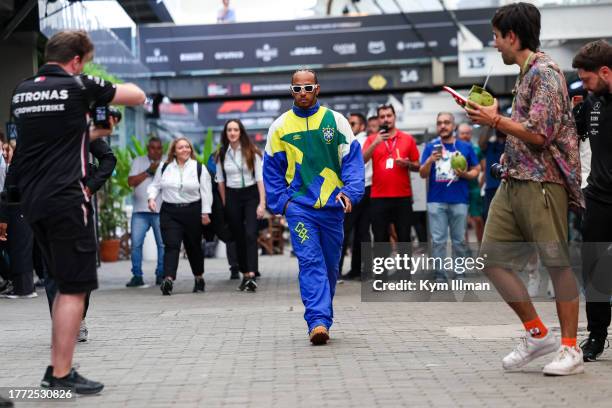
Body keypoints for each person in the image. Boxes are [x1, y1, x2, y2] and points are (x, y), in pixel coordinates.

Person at [1, 30, 146, 393]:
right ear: (77, 60)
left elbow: (57, 137)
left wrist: (94, 130)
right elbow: (137, 95)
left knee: (57, 281)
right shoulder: (79, 84)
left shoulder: (22, 91)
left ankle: (59, 367)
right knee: (73, 288)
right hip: (66, 198)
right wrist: (98, 96)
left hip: (34, 202)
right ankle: (60, 373)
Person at [466, 3, 584, 376]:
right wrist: (497, 116)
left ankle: (570, 349)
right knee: (490, 258)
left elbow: (540, 134)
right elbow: (528, 126)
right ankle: (537, 334)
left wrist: (495, 119)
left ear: (512, 37)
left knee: (557, 264)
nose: (495, 44)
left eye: (497, 37)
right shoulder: (526, 74)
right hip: (513, 180)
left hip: (544, 184)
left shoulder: (546, 73)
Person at [263, 68, 364, 345]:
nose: (303, 93)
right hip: (300, 209)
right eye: (297, 89)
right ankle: (317, 321)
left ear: (317, 89)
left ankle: (323, 317)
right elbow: (271, 169)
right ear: (291, 90)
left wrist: (350, 193)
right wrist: (282, 202)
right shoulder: (280, 126)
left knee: (331, 267)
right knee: (310, 261)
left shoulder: (336, 121)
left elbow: (353, 162)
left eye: (308, 88)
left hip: (332, 209)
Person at [42, 137, 117, 343]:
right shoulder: (38, 126)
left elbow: (108, 158)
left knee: (81, 265)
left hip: (77, 207)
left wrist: (90, 187)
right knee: (51, 270)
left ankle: (79, 317)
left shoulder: (80, 126)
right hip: (46, 206)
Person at [571, 39, 612, 362]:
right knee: (593, 269)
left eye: (587, 79)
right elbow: (571, 133)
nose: (584, 86)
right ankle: (597, 336)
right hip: (597, 198)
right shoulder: (592, 103)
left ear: (606, 71)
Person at [148, 137, 213, 296]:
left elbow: (206, 191)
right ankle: (168, 279)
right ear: (174, 151)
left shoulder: (199, 167)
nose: (185, 150)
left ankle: (199, 278)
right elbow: (155, 186)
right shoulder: (164, 167)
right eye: (181, 148)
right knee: (171, 246)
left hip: (192, 211)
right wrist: (151, 199)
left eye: (187, 147)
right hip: (170, 212)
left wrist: (205, 212)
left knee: (193, 247)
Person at [419, 113, 479, 281]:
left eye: (446, 123)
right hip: (436, 200)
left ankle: (459, 272)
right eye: (439, 123)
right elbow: (422, 174)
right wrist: (430, 160)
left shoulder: (465, 146)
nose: (442, 126)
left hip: (459, 199)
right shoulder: (431, 147)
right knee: (438, 240)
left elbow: (476, 169)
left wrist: (466, 174)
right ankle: (440, 274)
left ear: (453, 126)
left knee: (459, 239)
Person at [216, 119, 265, 292]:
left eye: (235, 129)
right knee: (238, 238)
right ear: (226, 133)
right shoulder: (221, 154)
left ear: (241, 132)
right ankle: (245, 274)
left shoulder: (252, 151)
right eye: (229, 130)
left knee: (251, 234)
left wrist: (262, 203)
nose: (232, 133)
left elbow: (260, 179)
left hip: (251, 195)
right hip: (232, 196)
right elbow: (221, 182)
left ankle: (251, 274)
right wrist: (225, 203)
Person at [363, 105, 420, 246]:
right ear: (378, 120)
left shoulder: (407, 138)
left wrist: (407, 164)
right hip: (378, 197)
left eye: (389, 115)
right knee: (380, 238)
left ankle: (404, 269)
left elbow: (417, 166)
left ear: (394, 117)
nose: (386, 119)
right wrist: (376, 142)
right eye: (382, 116)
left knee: (404, 237)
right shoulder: (371, 139)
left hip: (403, 197)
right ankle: (382, 269)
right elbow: (362, 160)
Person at [126, 137, 165, 287]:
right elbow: (130, 182)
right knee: (136, 244)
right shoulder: (138, 161)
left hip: (160, 210)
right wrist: (149, 171)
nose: (156, 150)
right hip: (139, 211)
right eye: (153, 147)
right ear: (148, 148)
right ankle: (137, 276)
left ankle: (161, 275)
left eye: (159, 148)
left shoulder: (167, 162)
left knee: (162, 245)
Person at [338, 112, 371, 280]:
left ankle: (357, 269)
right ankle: (345, 269)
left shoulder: (364, 140)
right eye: (348, 123)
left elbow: (360, 161)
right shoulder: (346, 140)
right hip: (350, 191)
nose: (349, 126)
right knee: (347, 232)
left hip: (363, 191)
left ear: (362, 126)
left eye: (353, 124)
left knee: (360, 233)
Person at [457, 122, 485, 243]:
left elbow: (484, 169)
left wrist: (480, 186)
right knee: (461, 222)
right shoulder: (455, 150)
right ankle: (465, 252)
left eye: (467, 133)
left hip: (474, 189)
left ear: (471, 133)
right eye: (462, 133)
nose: (465, 135)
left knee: (478, 220)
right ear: (458, 134)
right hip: (459, 189)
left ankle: (482, 249)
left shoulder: (476, 149)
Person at [479, 127, 506, 221]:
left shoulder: (511, 146)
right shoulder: (490, 146)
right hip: (491, 188)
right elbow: (481, 143)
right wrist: (490, 124)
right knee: (488, 217)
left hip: (507, 187)